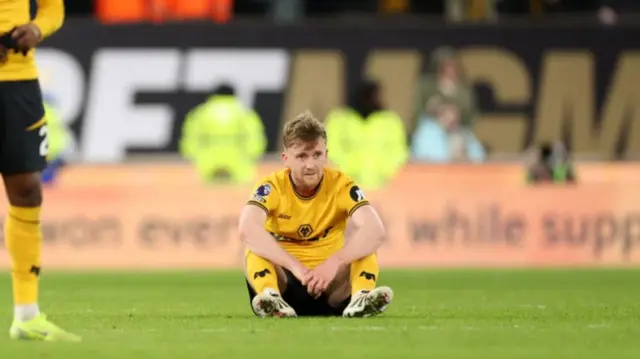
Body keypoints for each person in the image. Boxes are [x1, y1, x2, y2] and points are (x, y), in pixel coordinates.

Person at [238, 110, 393, 318]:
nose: (310, 165)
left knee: (365, 246)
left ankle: (361, 298)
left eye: (317, 155)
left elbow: (375, 230)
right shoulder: (273, 186)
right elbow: (247, 228)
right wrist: (297, 268)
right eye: (301, 156)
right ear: (286, 159)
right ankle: (270, 297)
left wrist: (334, 263)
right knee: (254, 247)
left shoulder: (341, 185)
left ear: (326, 155)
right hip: (288, 286)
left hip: (332, 288)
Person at [0, 0, 80, 341]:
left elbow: (52, 8)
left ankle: (27, 315)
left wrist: (37, 28)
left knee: (28, 188)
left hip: (18, 80)